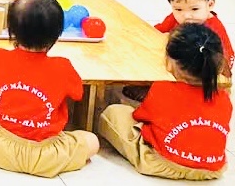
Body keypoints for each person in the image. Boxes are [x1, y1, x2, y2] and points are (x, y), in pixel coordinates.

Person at [0, 0, 99, 178]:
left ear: (11, 31)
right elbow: (78, 93)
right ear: (57, 36)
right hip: (48, 155)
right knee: (92, 141)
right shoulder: (63, 67)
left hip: (1, 147)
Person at [99, 23, 231, 180]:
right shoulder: (224, 97)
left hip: (163, 163)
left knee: (113, 113)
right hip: (213, 169)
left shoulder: (162, 89)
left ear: (170, 62)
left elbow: (139, 116)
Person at [152, 0, 233, 74]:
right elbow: (155, 32)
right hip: (177, 68)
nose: (186, 16)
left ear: (210, 5)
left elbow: (226, 62)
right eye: (178, 9)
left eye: (194, 9)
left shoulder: (214, 29)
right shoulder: (174, 18)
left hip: (201, 76)